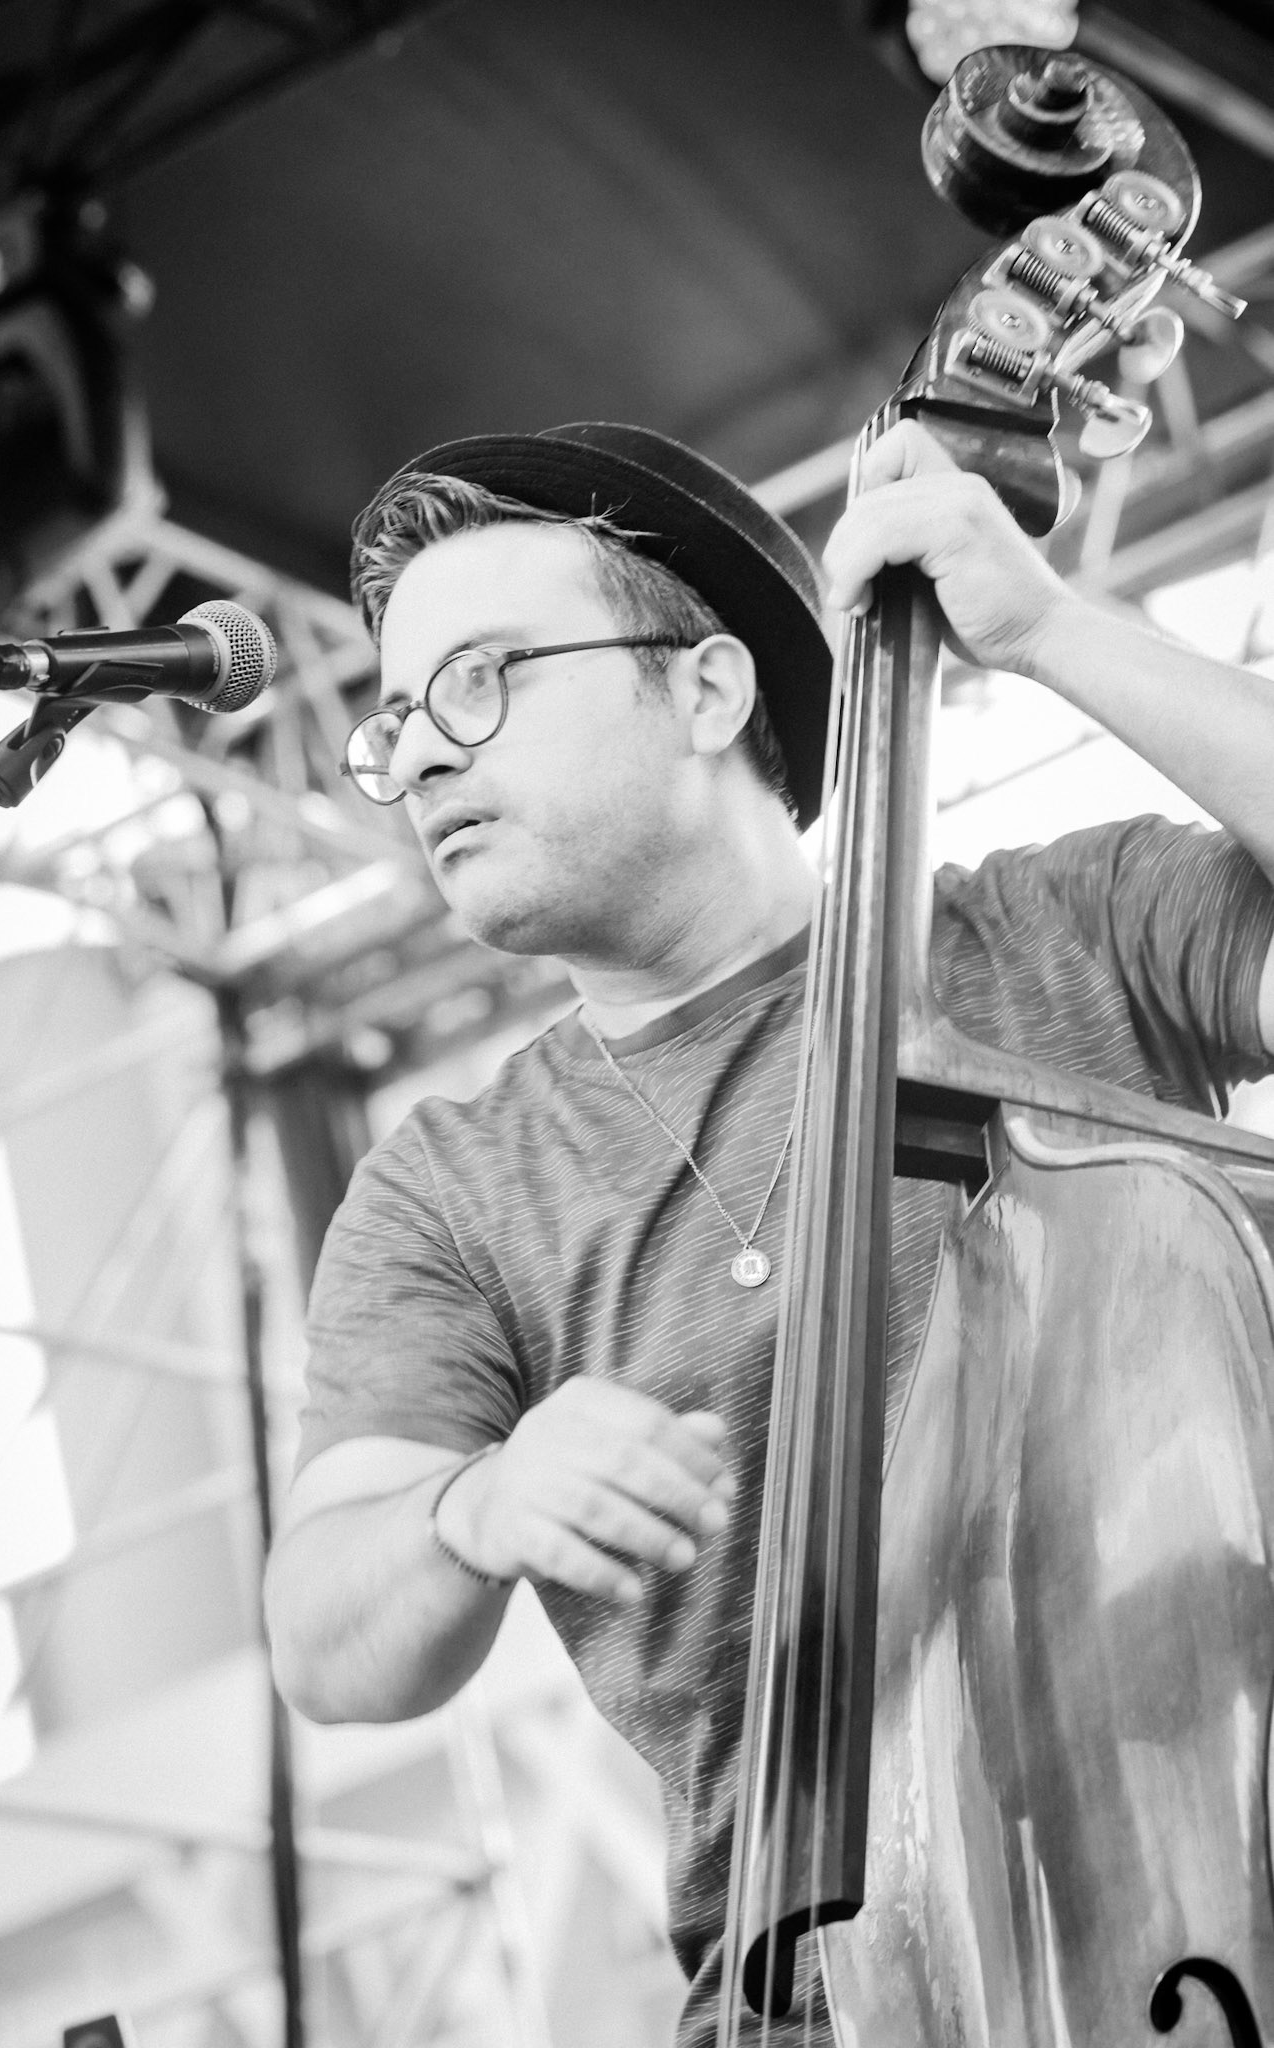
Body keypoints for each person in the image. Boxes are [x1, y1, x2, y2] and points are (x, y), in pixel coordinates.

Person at [263, 417, 1274, 2044]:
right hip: (793, 2002)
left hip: (1204, 1911)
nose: (422, 756)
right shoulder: (450, 1185)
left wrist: (1048, 631)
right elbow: (326, 1639)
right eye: (394, 720)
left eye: (481, 679)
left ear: (706, 690)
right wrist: (470, 1503)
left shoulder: (1074, 928)